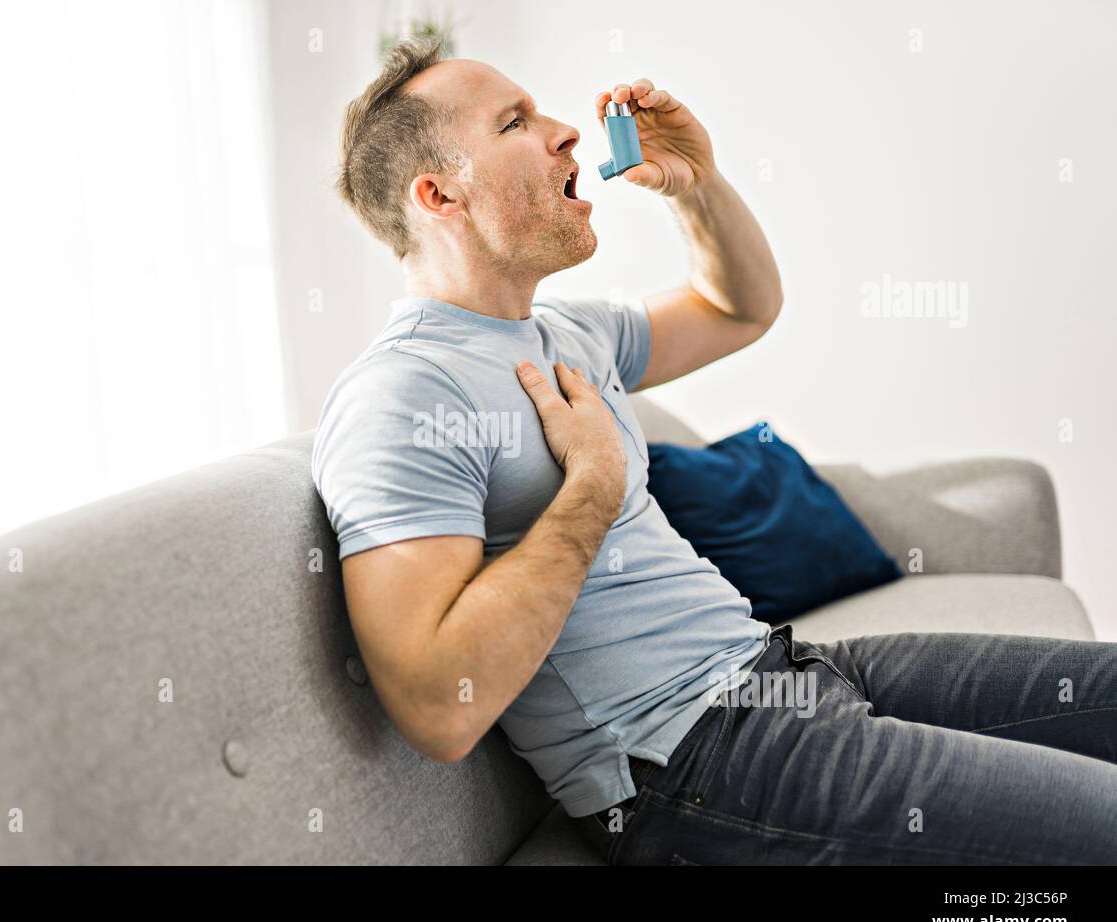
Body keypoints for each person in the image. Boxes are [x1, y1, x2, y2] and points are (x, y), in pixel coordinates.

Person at [311, 36, 1117, 864]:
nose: (565, 131)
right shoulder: (404, 395)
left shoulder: (567, 332)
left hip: (786, 668)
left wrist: (698, 188)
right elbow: (441, 704)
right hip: (694, 764)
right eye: (515, 121)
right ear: (440, 194)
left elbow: (741, 306)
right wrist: (592, 482)